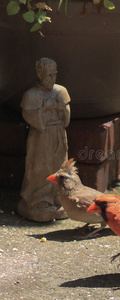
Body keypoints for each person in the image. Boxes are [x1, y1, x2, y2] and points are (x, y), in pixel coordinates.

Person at [17, 58, 71, 222]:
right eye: (48, 75)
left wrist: (62, 109)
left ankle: (58, 199)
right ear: (39, 75)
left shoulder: (61, 91)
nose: (52, 78)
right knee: (40, 167)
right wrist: (45, 108)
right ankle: (38, 202)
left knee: (60, 166)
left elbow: (67, 119)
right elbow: (31, 117)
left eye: (54, 75)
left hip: (59, 135)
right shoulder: (31, 95)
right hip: (41, 137)